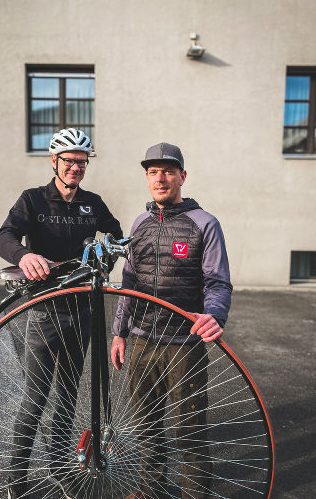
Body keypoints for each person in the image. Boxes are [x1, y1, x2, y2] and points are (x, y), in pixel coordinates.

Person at [0, 128, 123, 499]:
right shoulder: (33, 200)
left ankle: (58, 468)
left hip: (82, 310)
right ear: (54, 161)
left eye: (82, 163)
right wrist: (24, 255)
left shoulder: (93, 203)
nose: (75, 168)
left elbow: (115, 235)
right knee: (36, 397)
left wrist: (108, 253)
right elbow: (4, 236)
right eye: (69, 161)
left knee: (67, 395)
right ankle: (17, 481)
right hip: (44, 311)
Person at [111, 142, 232, 499]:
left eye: (167, 171)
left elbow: (218, 282)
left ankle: (196, 495)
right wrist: (119, 333)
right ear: (147, 178)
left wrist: (214, 314)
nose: (159, 178)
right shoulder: (141, 224)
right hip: (143, 340)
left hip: (185, 345)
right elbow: (129, 282)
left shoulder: (205, 223)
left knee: (189, 431)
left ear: (182, 176)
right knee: (146, 427)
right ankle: (151, 490)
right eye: (152, 172)